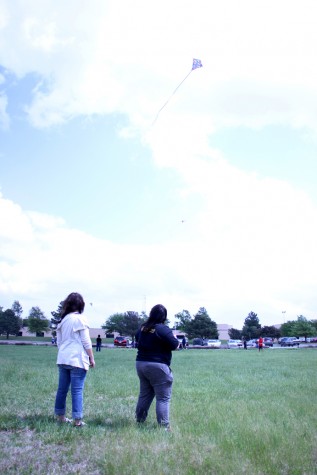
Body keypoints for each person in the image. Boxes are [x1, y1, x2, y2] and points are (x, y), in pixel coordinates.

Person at [135, 304, 179, 430]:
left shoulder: (142, 328)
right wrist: (174, 338)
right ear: (163, 316)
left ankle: (139, 421)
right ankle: (164, 427)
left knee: (144, 394)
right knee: (163, 398)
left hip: (141, 364)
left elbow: (138, 341)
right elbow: (175, 345)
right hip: (158, 366)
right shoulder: (162, 329)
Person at [54, 292, 95, 427]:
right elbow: (86, 341)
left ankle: (60, 416)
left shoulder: (62, 321)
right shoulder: (80, 319)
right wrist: (91, 358)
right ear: (81, 305)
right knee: (77, 390)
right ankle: (77, 421)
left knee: (62, 389)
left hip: (63, 358)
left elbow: (59, 343)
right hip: (77, 359)